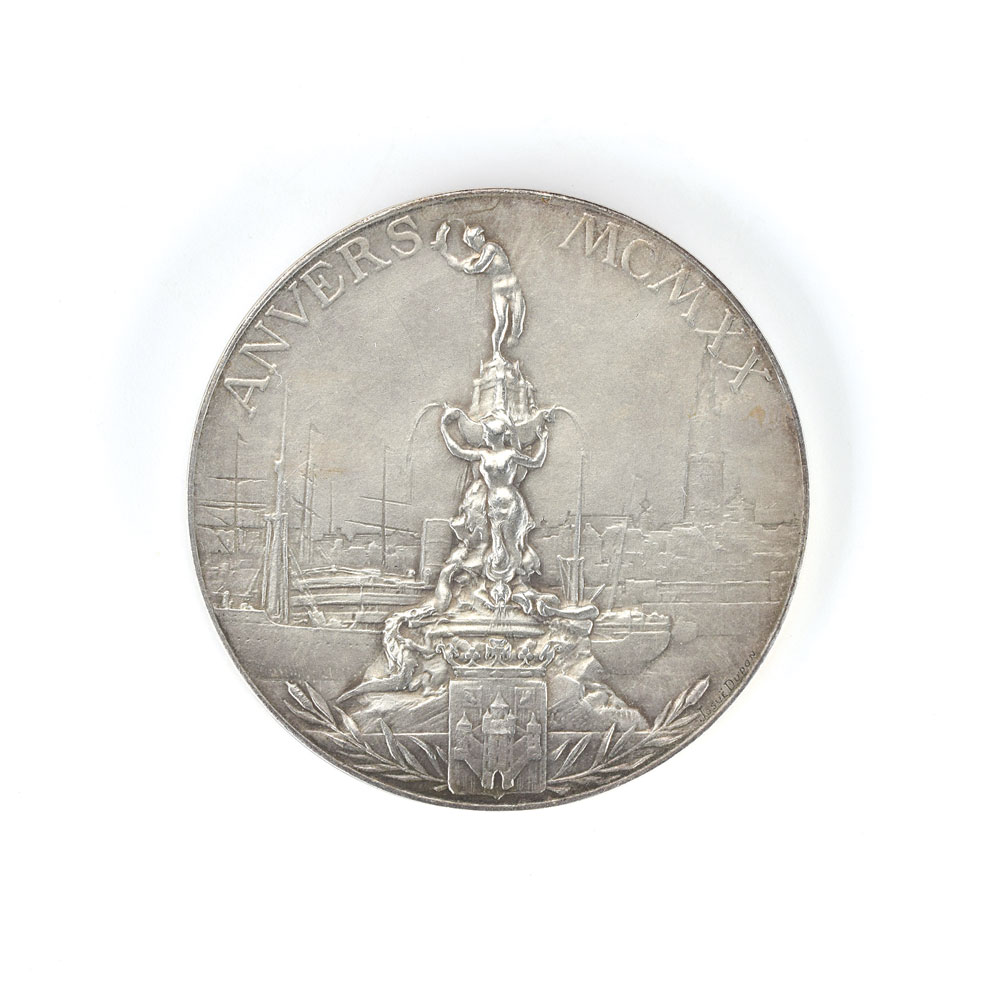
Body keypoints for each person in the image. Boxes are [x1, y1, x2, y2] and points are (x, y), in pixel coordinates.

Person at [432, 223, 526, 358]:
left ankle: (515, 335)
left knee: (518, 314)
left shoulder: (491, 247)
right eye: (477, 237)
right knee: (500, 322)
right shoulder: (477, 257)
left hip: (512, 286)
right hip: (498, 290)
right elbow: (458, 265)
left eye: (480, 236)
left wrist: (467, 267)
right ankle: (496, 353)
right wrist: (444, 252)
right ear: (471, 242)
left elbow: (479, 267)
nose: (481, 238)